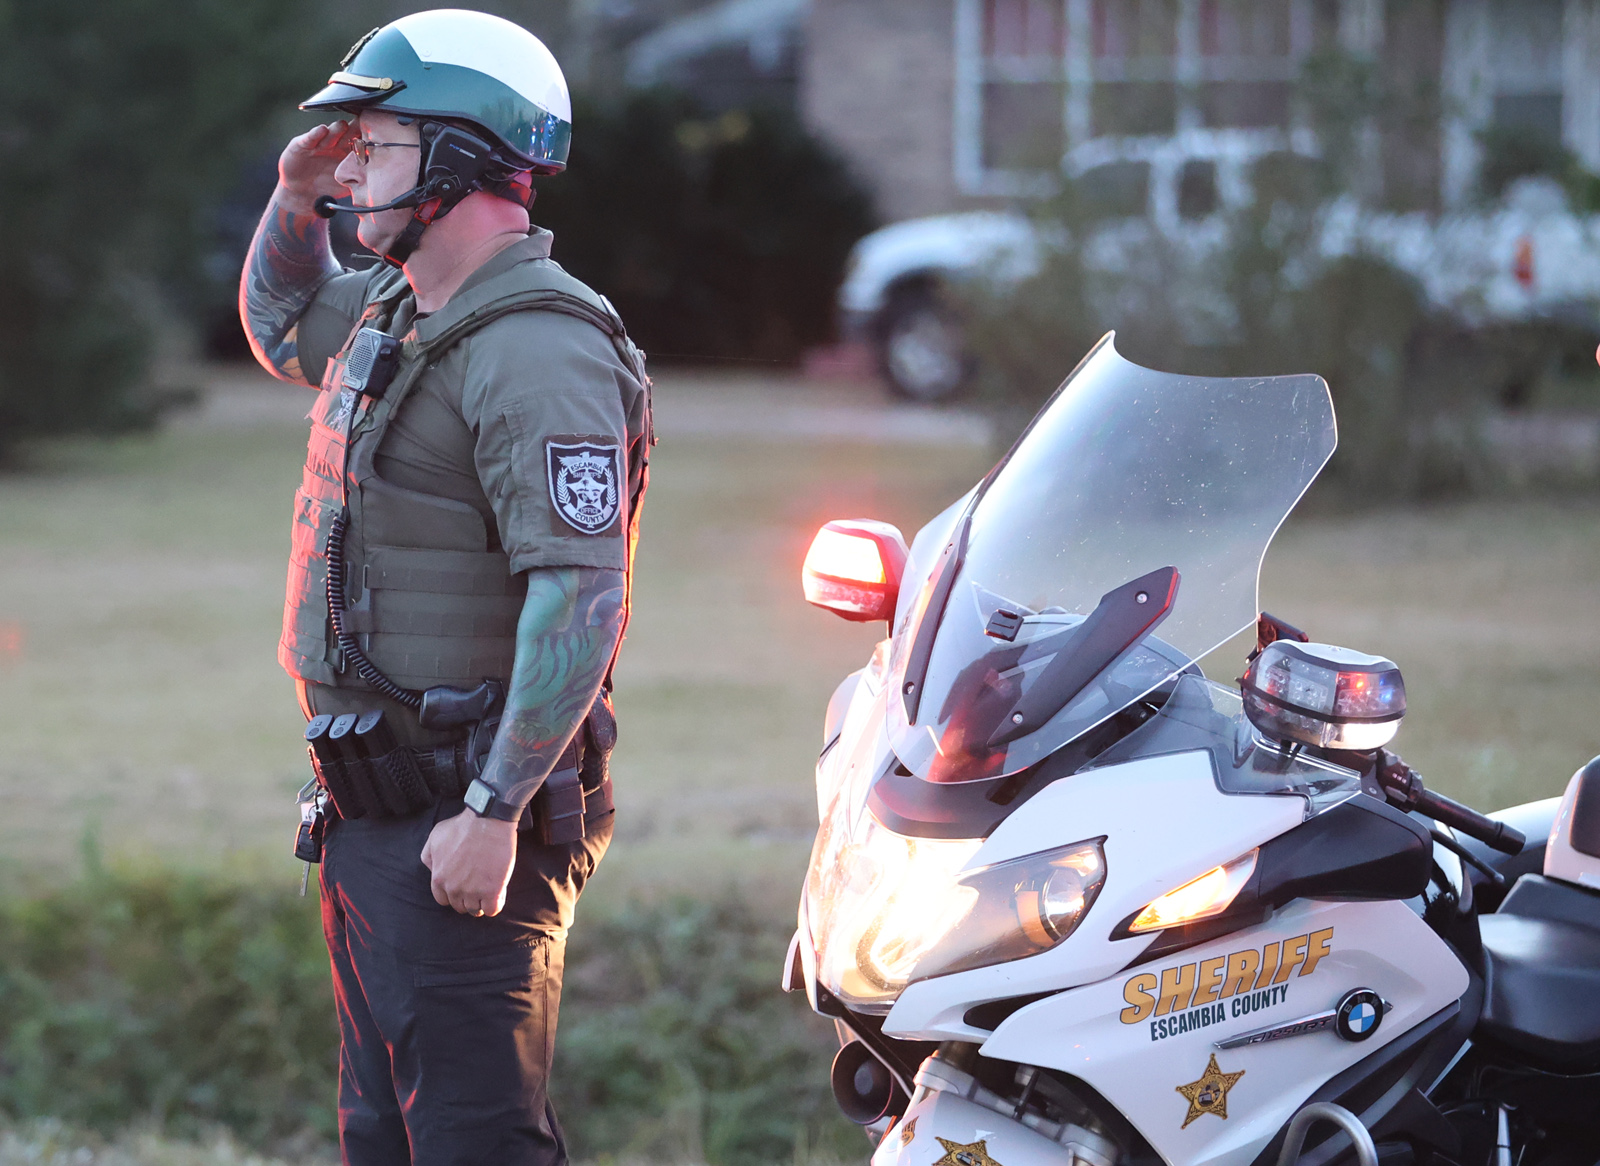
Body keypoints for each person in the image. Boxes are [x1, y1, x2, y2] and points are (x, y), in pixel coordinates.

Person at [237, 11, 651, 1164]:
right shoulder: (404, 306)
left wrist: (494, 812)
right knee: (384, 1137)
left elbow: (582, 595)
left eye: (374, 145)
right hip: (378, 809)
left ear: (461, 157)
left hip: (461, 819)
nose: (351, 170)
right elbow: (278, 325)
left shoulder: (539, 347)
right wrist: (295, 195)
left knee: (474, 1142)